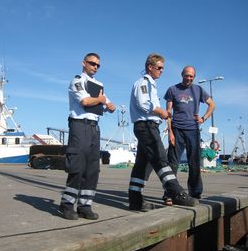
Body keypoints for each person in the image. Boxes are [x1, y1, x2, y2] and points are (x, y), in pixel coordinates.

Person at [128, 53, 199, 211]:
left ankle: (134, 199)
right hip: (146, 126)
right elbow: (143, 103)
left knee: (142, 164)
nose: (161, 71)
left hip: (147, 125)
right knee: (161, 158)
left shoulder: (151, 84)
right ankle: (176, 192)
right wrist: (161, 112)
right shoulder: (143, 83)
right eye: (159, 68)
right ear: (150, 67)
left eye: (162, 68)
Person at [60, 53, 116, 220]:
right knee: (77, 166)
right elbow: (85, 101)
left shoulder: (98, 85)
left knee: (92, 168)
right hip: (79, 126)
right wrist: (102, 100)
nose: (95, 67)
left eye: (98, 65)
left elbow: (101, 105)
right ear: (83, 63)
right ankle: (67, 204)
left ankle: (85, 205)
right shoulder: (77, 81)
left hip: (93, 127)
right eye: (92, 63)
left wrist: (109, 106)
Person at [164, 66, 215, 199]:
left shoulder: (198, 90)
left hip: (193, 130)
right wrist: (170, 132)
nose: (189, 78)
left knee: (194, 162)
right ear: (182, 75)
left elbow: (212, 105)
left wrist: (203, 118)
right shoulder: (172, 90)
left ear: (194, 77)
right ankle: (170, 193)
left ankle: (195, 192)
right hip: (176, 129)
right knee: (173, 162)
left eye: (191, 76)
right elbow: (168, 113)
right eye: (187, 75)